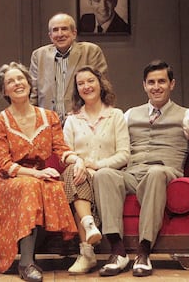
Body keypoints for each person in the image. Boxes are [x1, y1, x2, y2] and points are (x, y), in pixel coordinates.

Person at [93, 60, 189, 277]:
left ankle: (144, 252)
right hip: (132, 173)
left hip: (165, 172)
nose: (156, 87)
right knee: (104, 175)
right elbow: (108, 139)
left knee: (155, 173)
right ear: (144, 86)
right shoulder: (129, 114)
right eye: (151, 82)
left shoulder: (186, 115)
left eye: (161, 82)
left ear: (172, 84)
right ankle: (118, 251)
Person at [0, 62, 88, 282]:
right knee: (31, 185)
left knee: (59, 185)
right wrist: (33, 174)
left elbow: (61, 150)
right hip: (9, 180)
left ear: (29, 84)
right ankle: (26, 263)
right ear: (4, 91)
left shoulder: (49, 117)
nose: (17, 83)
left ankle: (80, 251)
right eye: (10, 81)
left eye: (20, 79)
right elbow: (2, 162)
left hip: (40, 177)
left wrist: (77, 160)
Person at [62, 66, 130, 274]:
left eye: (90, 81)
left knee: (81, 176)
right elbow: (64, 152)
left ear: (100, 84)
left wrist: (97, 166)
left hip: (107, 176)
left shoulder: (116, 115)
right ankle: (89, 224)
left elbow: (124, 154)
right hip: (80, 174)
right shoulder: (72, 119)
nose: (86, 86)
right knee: (73, 171)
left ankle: (87, 253)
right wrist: (79, 162)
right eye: (80, 83)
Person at [29, 13, 108, 123]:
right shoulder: (38, 55)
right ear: (50, 36)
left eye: (64, 29)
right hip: (46, 124)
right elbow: (33, 93)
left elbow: (101, 89)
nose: (60, 34)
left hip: (82, 123)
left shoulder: (90, 52)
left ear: (74, 33)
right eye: (55, 30)